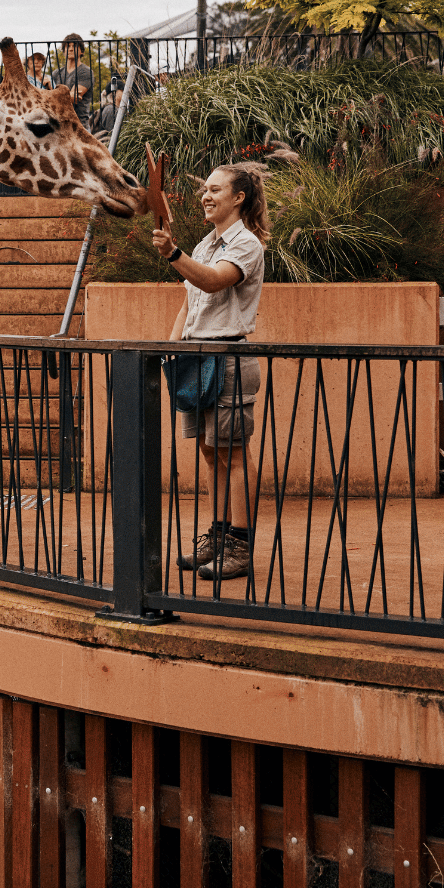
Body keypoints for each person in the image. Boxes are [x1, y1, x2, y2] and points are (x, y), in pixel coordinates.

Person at [152, 163, 268, 581]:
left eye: (215, 189)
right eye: (205, 188)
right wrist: (169, 349)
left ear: (238, 198)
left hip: (229, 359)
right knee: (208, 451)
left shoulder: (246, 244)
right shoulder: (205, 243)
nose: (206, 194)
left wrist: (172, 254)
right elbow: (189, 303)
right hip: (195, 359)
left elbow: (215, 283)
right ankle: (217, 538)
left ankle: (240, 544)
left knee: (233, 453)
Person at [50, 33, 96, 127]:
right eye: (67, 46)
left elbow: (72, 99)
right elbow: (66, 97)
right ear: (63, 51)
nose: (70, 49)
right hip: (59, 126)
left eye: (74, 46)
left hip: (79, 126)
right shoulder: (56, 73)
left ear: (81, 51)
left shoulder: (85, 72)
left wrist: (51, 94)